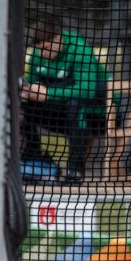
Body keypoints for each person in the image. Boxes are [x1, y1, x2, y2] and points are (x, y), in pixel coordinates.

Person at [21, 18, 109, 184]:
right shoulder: (37, 54)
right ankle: (33, 156)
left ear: (59, 38)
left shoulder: (79, 48)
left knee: (76, 101)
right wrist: (28, 92)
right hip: (62, 114)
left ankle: (74, 171)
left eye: (46, 48)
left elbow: (88, 90)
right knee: (23, 103)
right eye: (39, 49)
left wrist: (48, 94)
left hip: (99, 114)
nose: (43, 53)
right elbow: (32, 83)